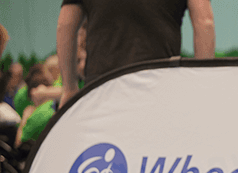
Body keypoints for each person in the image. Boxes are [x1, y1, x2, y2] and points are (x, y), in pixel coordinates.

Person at [57, 0, 216, 106]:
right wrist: (202, 83)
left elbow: (65, 26)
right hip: (160, 87)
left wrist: (69, 88)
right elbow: (204, 22)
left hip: (102, 88)